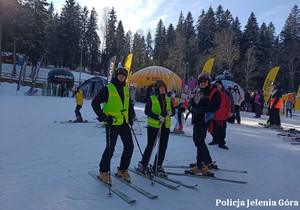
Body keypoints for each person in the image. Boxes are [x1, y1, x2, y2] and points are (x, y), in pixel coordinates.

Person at [91, 67, 135, 183]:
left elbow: (129, 106)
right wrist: (103, 117)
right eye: (120, 75)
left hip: (124, 122)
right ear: (116, 76)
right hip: (112, 123)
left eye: (124, 76)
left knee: (129, 146)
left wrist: (130, 117)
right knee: (111, 148)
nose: (122, 77)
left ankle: (122, 169)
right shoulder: (108, 88)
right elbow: (95, 103)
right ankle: (103, 171)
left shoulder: (126, 90)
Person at [136, 80, 175, 177]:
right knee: (151, 145)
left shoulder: (168, 99)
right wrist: (158, 116)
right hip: (154, 126)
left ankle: (158, 165)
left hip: (165, 126)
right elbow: (147, 111)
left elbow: (173, 111)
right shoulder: (152, 98)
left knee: (163, 146)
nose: (162, 89)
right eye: (160, 87)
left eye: (163, 87)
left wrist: (170, 113)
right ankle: (143, 164)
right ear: (156, 89)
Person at [187, 74, 221, 175]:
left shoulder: (213, 92)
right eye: (201, 81)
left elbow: (215, 106)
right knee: (197, 140)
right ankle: (207, 161)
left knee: (199, 140)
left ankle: (201, 164)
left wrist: (201, 110)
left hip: (205, 119)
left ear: (209, 82)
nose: (203, 83)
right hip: (197, 118)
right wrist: (191, 107)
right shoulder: (200, 91)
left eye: (205, 81)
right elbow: (193, 103)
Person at [208, 80, 232, 150]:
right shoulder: (213, 92)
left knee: (221, 129)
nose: (217, 86)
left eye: (219, 84)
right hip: (215, 114)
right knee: (214, 128)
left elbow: (231, 103)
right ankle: (215, 139)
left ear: (221, 85)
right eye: (216, 85)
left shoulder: (226, 93)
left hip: (223, 114)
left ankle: (221, 142)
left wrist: (231, 112)